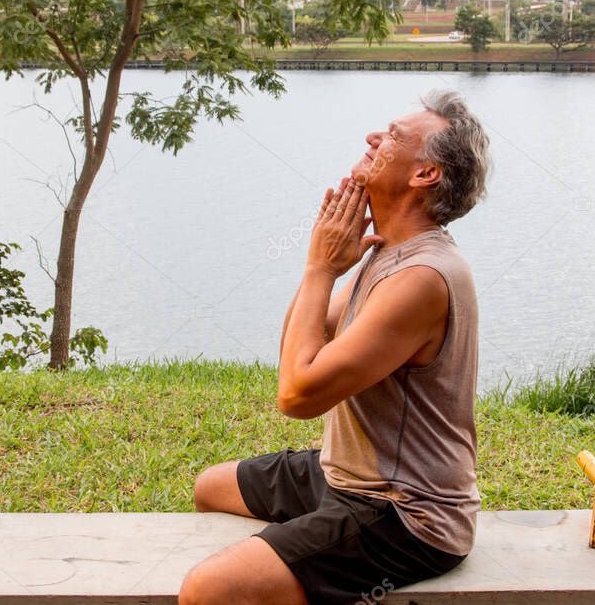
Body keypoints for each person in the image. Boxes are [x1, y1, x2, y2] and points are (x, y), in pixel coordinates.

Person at [178, 90, 491, 605]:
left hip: (405, 512)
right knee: (210, 488)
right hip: (343, 475)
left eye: (393, 136)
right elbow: (301, 343)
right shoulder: (385, 252)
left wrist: (319, 269)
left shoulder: (422, 278)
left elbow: (296, 397)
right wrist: (327, 268)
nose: (373, 137)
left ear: (424, 174)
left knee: (208, 589)